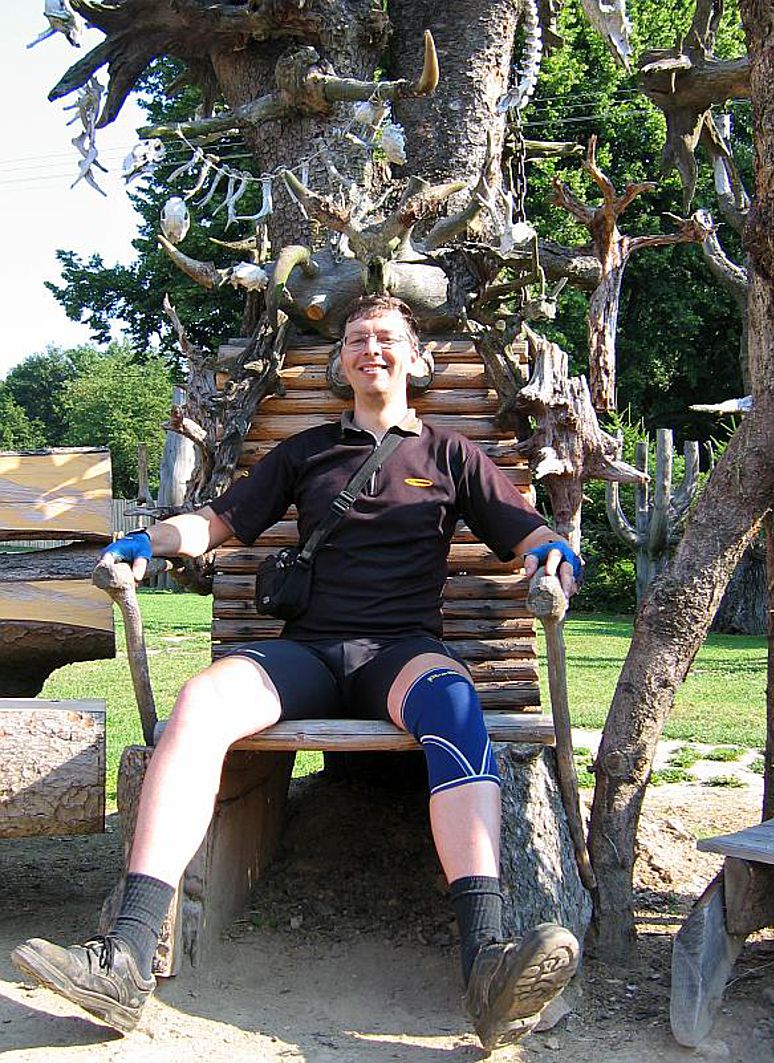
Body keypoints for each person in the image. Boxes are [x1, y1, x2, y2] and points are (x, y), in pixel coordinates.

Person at [12, 295, 584, 1052]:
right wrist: (149, 540)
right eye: (357, 338)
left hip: (401, 654)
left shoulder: (451, 454)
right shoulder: (306, 451)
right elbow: (216, 522)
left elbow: (526, 532)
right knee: (201, 703)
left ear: (416, 359)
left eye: (386, 337)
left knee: (454, 705)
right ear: (340, 362)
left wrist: (554, 553)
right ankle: (125, 953)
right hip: (308, 651)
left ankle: (486, 961)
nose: (371, 348)